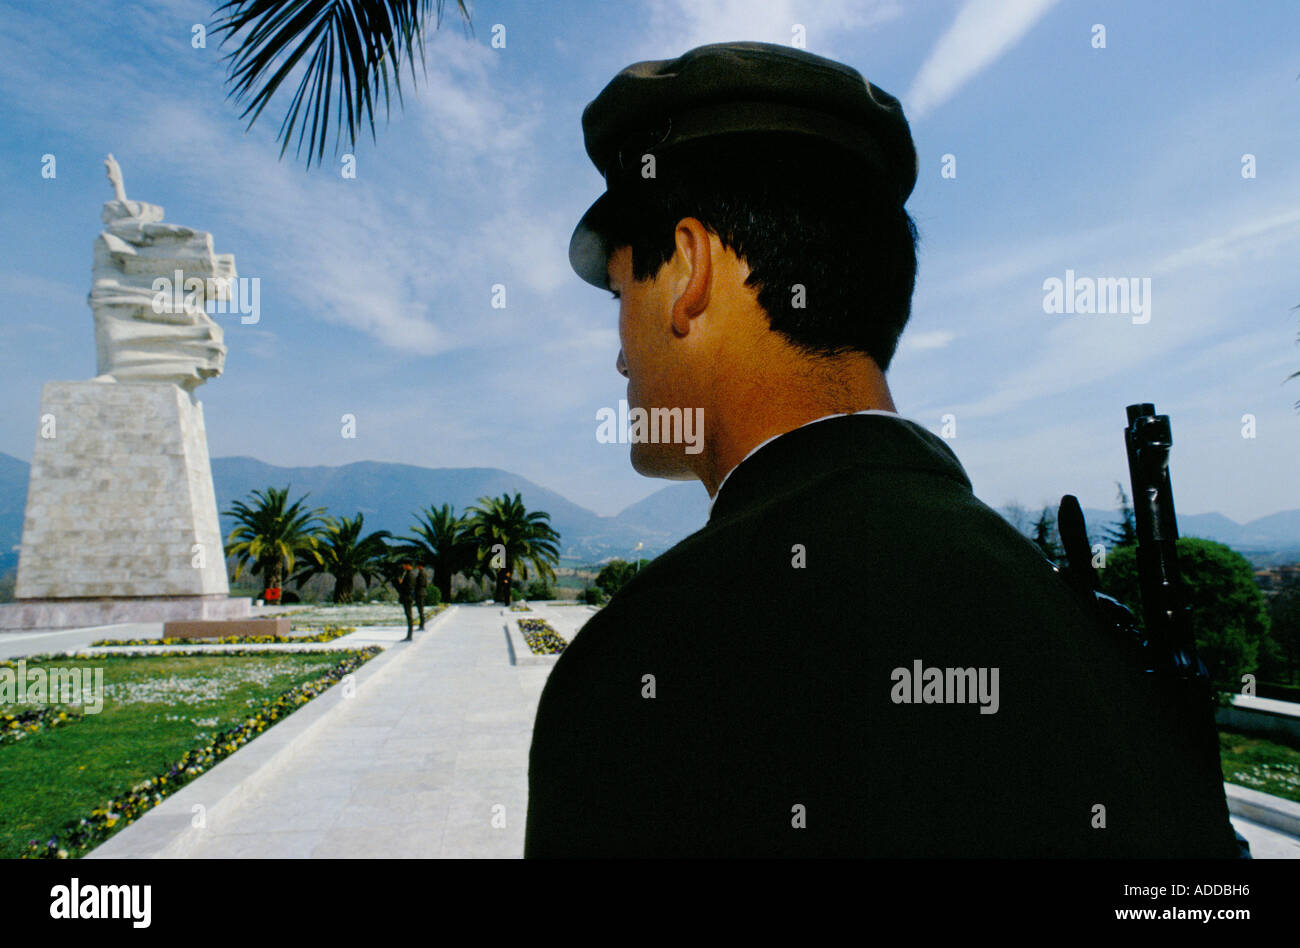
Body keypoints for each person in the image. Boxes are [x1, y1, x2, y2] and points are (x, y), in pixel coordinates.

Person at [524, 42, 1241, 858]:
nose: (620, 353)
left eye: (621, 295)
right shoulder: (1093, 639)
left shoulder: (640, 675)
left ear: (689, 268)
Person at [394, 562, 416, 642]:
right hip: (408, 597)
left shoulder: (410, 575)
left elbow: (408, 587)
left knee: (409, 616)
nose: (403, 566)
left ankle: (409, 635)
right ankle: (409, 635)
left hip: (407, 597)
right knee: (409, 615)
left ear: (408, 565)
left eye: (404, 564)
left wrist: (400, 584)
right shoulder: (409, 574)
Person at [414, 563, 429, 630]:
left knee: (420, 609)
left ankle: (422, 625)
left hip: (420, 593)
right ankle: (421, 624)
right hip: (421, 592)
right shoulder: (421, 573)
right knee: (420, 609)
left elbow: (422, 583)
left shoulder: (422, 574)